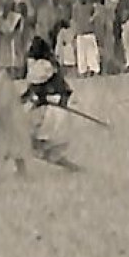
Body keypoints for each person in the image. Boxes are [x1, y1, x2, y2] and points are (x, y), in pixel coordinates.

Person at [22, 35, 80, 171]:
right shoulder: (47, 65)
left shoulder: (44, 67)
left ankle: (72, 167)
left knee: (37, 144)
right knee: (36, 145)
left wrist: (51, 100)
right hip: (49, 109)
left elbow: (39, 90)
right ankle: (72, 168)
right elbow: (33, 91)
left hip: (53, 112)